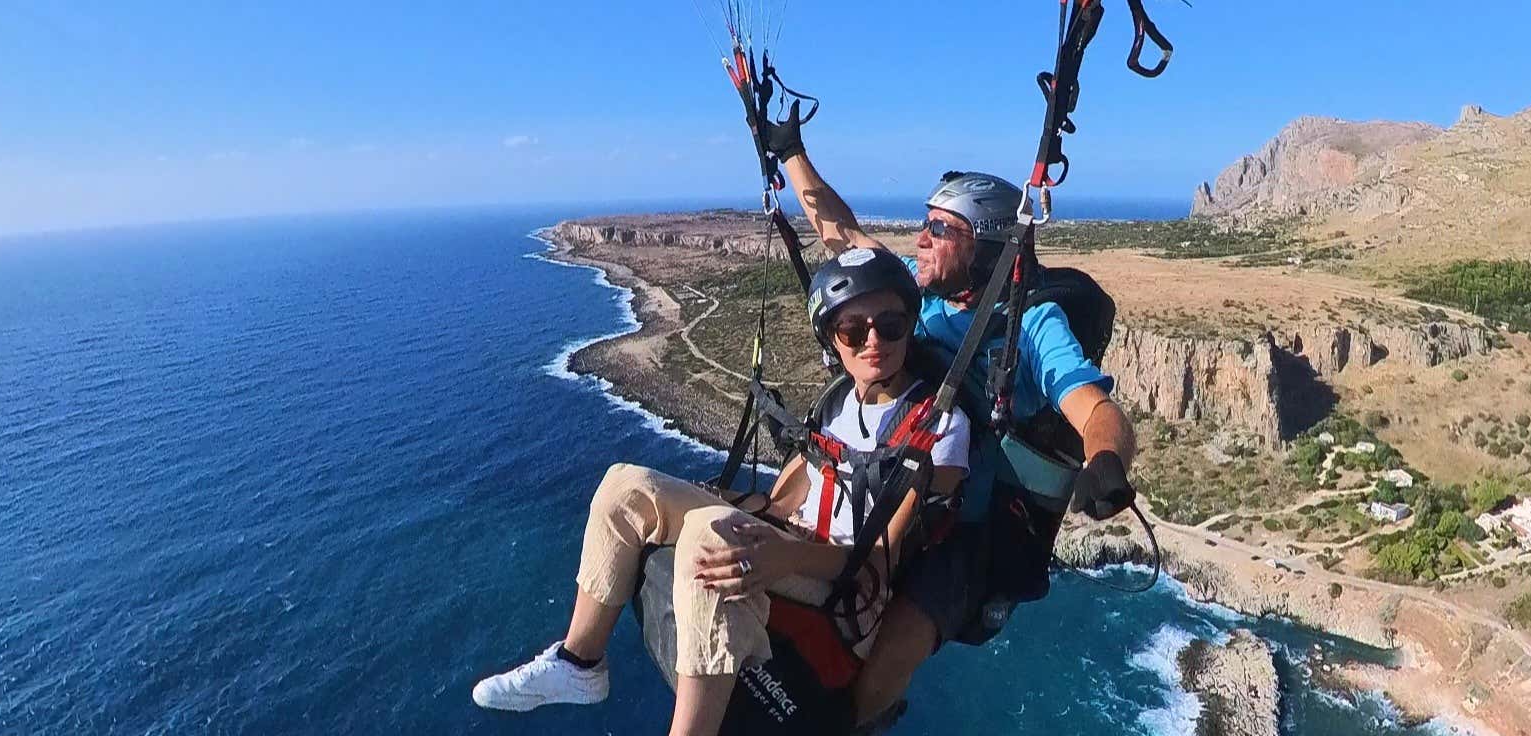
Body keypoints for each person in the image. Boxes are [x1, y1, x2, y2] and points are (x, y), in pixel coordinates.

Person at [471, 248, 973, 736]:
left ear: (909, 324)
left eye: (890, 325)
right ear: (832, 340)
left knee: (709, 536)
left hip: (847, 592)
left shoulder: (939, 426)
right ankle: (580, 661)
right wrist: (711, 500)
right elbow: (781, 504)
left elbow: (879, 566)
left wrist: (785, 555)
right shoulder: (837, 403)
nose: (873, 341)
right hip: (794, 543)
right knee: (626, 487)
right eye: (853, 330)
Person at [758, 113, 1142, 728]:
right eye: (925, 223)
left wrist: (1106, 460)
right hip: (897, 477)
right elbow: (842, 235)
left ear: (984, 245)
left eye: (940, 228)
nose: (921, 238)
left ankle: (854, 722)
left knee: (900, 638)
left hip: (968, 524)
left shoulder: (1031, 326)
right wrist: (792, 152)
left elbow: (1095, 408)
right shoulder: (924, 298)